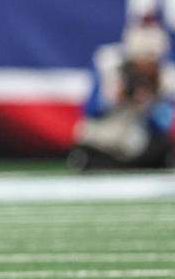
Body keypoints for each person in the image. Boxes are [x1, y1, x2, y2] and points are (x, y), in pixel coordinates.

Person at [68, 19, 175, 170]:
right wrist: (113, 96)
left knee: (164, 149)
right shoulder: (107, 64)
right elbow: (90, 111)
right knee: (87, 150)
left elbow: (162, 126)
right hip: (106, 140)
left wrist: (150, 103)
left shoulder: (166, 78)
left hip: (138, 143)